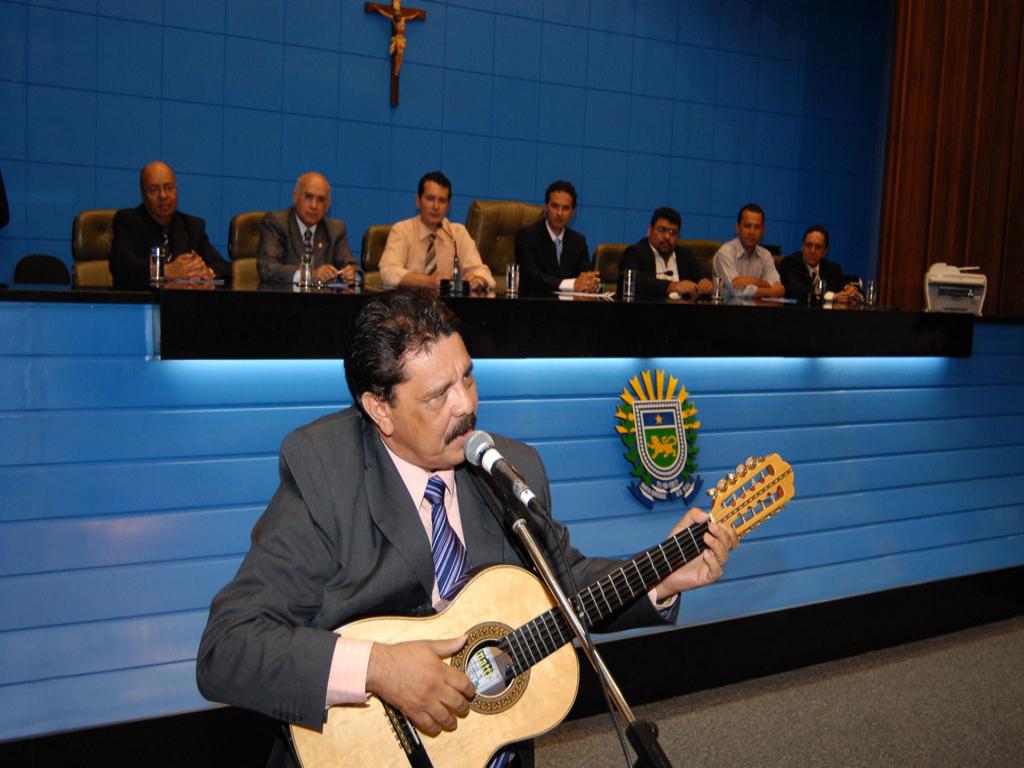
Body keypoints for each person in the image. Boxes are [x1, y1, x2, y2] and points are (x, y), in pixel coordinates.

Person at [196, 290, 738, 767]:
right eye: (438, 395)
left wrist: (665, 573)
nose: (467, 405)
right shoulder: (325, 470)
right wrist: (379, 668)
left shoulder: (508, 468)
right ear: (379, 409)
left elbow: (564, 584)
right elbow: (228, 647)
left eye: (468, 377)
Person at [109, 161, 230, 288]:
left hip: (182, 300)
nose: (163, 195)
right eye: (154, 190)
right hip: (142, 299)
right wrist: (165, 271)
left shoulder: (193, 227)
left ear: (176, 190)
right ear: (143, 195)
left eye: (169, 188)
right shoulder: (128, 221)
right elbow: (121, 266)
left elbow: (224, 271)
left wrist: (207, 278)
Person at [379, 171, 495, 292]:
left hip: (445, 303)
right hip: (408, 301)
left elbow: (483, 272)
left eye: (442, 201)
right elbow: (388, 272)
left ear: (448, 206)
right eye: (430, 199)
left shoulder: (457, 233)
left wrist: (479, 280)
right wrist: (428, 282)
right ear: (418, 200)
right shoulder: (402, 230)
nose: (436, 207)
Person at [257, 172, 360, 286]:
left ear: (327, 205)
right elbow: (268, 268)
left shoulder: (335, 229)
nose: (314, 205)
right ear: (295, 196)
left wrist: (352, 274)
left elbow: (353, 267)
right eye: (308, 196)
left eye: (321, 199)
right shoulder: (276, 223)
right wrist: (309, 274)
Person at [514, 180, 601, 295]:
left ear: (573, 212)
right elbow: (531, 277)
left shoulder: (578, 241)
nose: (559, 213)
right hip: (535, 302)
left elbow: (586, 275)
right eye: (555, 206)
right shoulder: (527, 236)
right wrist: (571, 285)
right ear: (546, 206)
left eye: (566, 208)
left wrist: (592, 283)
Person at [619, 207, 713, 299]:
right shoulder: (635, 253)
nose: (667, 236)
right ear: (650, 230)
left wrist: (705, 281)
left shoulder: (684, 255)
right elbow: (633, 279)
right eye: (661, 230)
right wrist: (672, 286)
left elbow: (701, 272)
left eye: (672, 232)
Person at [712, 203, 784, 299]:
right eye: (747, 226)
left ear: (762, 231)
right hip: (728, 307)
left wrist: (753, 281)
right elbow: (738, 292)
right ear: (738, 228)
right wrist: (771, 291)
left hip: (758, 307)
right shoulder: (726, 252)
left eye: (757, 227)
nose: (751, 232)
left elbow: (777, 285)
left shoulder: (765, 255)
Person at [779, 225, 862, 304]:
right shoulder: (790, 263)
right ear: (802, 247)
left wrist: (853, 294)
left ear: (825, 252)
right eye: (808, 245)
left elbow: (846, 288)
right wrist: (832, 297)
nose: (812, 251)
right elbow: (797, 291)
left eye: (818, 247)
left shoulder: (832, 269)